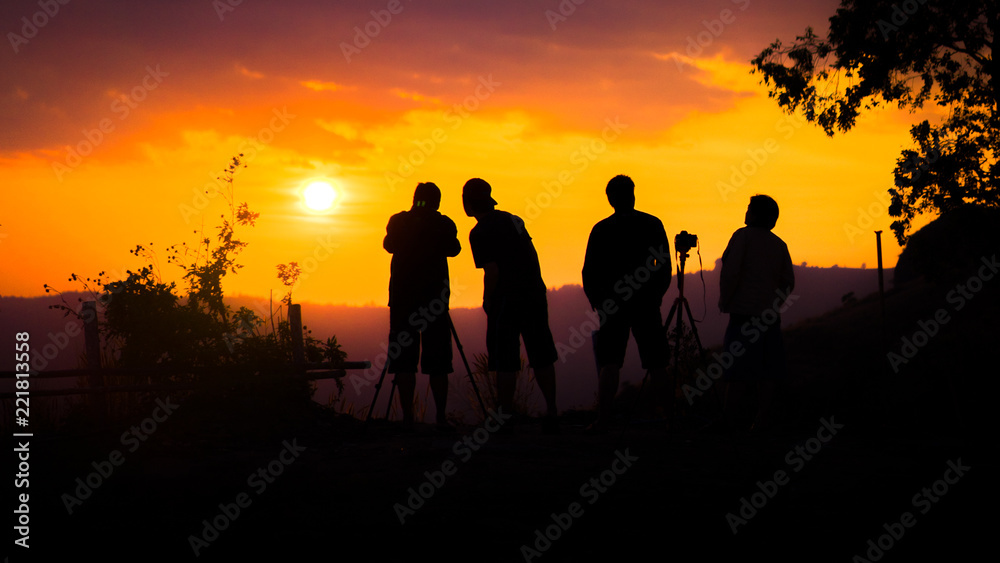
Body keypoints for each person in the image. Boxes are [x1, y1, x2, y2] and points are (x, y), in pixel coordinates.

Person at [462, 178, 559, 432]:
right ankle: (552, 410)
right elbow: (532, 253)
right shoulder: (514, 220)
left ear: (468, 203)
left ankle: (504, 415)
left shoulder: (479, 232)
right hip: (533, 293)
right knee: (541, 353)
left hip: (506, 299)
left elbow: (491, 270)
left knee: (504, 358)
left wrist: (487, 299)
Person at [582, 175, 673, 432]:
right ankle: (669, 420)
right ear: (633, 194)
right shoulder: (652, 224)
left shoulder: (601, 229)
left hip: (613, 305)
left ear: (610, 199)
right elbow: (664, 266)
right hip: (646, 303)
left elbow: (590, 271)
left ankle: (603, 420)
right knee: (657, 363)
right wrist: (657, 294)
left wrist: (598, 301)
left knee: (610, 362)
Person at [383, 182, 461, 430]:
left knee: (404, 361)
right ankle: (440, 418)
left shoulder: (398, 221)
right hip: (435, 303)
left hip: (403, 301)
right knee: (438, 361)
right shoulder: (443, 224)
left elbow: (388, 245)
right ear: (437, 202)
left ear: (414, 198)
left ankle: (408, 419)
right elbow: (455, 249)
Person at [718, 194, 795, 432]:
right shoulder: (779, 245)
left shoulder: (742, 237)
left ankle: (729, 423)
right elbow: (788, 282)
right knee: (768, 371)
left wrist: (726, 299)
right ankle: (761, 422)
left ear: (754, 214)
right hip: (768, 317)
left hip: (743, 315)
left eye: (749, 208)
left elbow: (731, 273)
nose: (746, 211)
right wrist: (774, 304)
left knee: (737, 371)